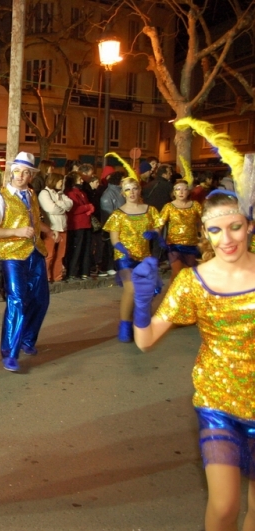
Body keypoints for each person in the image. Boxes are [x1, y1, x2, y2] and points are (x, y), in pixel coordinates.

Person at [132, 189, 255, 531]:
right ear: (205, 231)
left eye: (235, 227)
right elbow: (145, 341)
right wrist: (142, 306)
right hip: (217, 403)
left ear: (249, 226)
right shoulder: (192, 282)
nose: (226, 239)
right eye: (216, 230)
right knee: (224, 505)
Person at [0, 151, 57, 372]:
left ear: (31, 175)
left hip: (34, 251)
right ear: (11, 172)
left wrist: (47, 230)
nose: (21, 176)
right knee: (17, 300)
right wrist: (17, 231)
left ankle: (27, 340)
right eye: (17, 171)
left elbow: (32, 220)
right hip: (12, 255)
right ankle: (10, 353)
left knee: (41, 299)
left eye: (26, 172)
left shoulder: (31, 194)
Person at [102, 177, 160, 342]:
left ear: (140, 190)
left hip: (144, 257)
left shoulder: (150, 210)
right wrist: (123, 249)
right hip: (124, 257)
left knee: (145, 291)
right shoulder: (117, 214)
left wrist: (154, 233)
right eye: (128, 189)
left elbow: (158, 225)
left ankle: (141, 323)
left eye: (134, 188)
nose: (132, 192)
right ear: (123, 192)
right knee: (132, 289)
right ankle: (125, 324)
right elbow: (114, 240)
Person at [158, 179, 203, 281]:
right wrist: (157, 236)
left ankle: (186, 296)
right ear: (174, 192)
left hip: (192, 245)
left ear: (188, 191)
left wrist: (205, 237)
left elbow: (202, 222)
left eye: (184, 189)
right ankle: (171, 295)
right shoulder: (169, 207)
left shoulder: (195, 205)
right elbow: (159, 224)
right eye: (178, 189)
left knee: (189, 275)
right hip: (174, 245)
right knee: (177, 273)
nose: (181, 192)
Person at [38, 172, 73, 282]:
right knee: (49, 254)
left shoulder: (60, 194)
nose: (62, 184)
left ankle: (57, 276)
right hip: (51, 227)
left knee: (60, 255)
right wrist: (63, 208)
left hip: (62, 227)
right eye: (60, 181)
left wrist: (58, 203)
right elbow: (51, 208)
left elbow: (70, 204)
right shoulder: (44, 193)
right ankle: (46, 277)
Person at [63, 172, 94, 281]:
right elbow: (74, 209)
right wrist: (88, 207)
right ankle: (72, 272)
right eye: (79, 179)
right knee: (76, 249)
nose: (82, 181)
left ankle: (84, 272)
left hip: (86, 224)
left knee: (86, 249)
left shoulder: (82, 192)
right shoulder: (70, 193)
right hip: (76, 225)